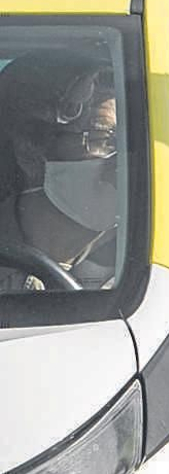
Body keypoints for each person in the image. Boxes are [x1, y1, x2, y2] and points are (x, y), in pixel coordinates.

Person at [0, 49, 121, 292]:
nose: (121, 162)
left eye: (128, 144)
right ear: (28, 151)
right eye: (104, 139)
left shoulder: (145, 272)